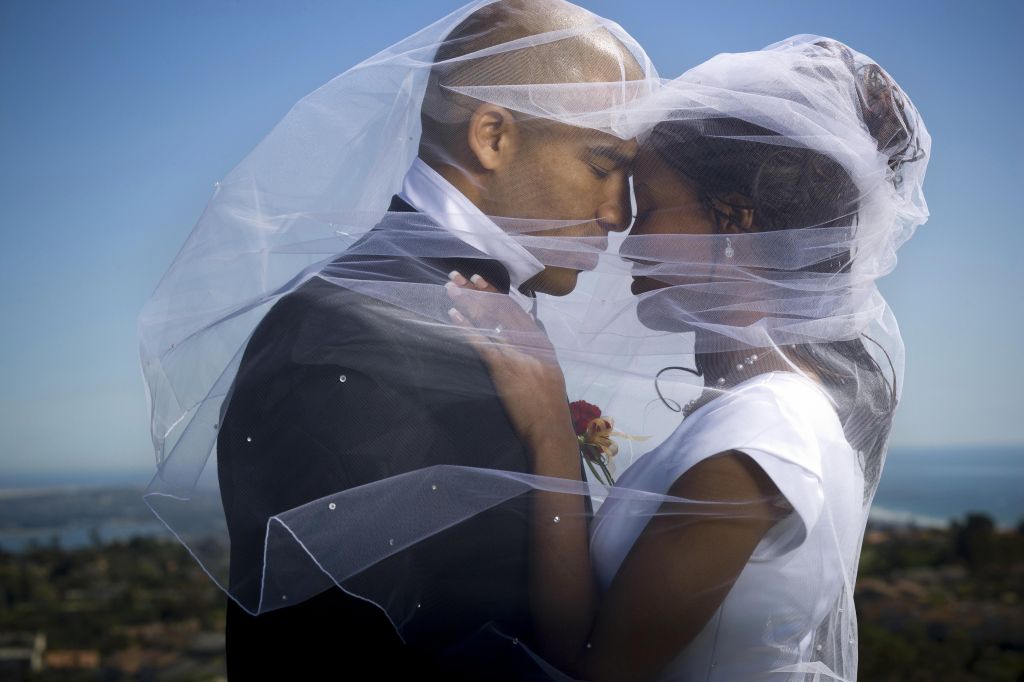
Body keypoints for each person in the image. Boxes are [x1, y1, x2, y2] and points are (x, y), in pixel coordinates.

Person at [447, 36, 929, 680]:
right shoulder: (761, 412)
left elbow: (597, 668)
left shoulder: (765, 432)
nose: (622, 233)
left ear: (733, 221)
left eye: (648, 209)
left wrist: (547, 429)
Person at [208, 1, 648, 679]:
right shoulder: (355, 330)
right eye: (601, 166)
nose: (619, 214)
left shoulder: (436, 303)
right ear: (493, 136)